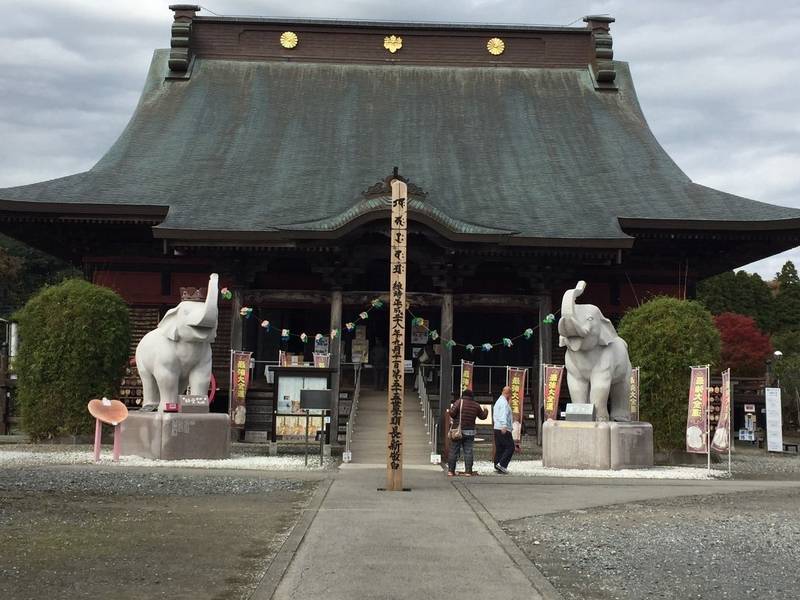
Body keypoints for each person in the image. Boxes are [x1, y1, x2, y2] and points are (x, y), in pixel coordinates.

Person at [447, 389, 487, 477]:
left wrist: (450, 410)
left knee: (454, 450)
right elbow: (483, 417)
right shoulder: (476, 405)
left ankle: (451, 471)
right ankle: (468, 471)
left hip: (458, 431)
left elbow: (452, 414)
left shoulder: (459, 402)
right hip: (470, 432)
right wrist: (486, 411)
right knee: (468, 451)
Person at [493, 386, 515, 473]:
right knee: (510, 447)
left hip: (497, 427)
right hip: (502, 427)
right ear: (509, 393)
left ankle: (497, 464)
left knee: (500, 447)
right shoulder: (504, 403)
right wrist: (504, 425)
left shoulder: (499, 401)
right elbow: (503, 414)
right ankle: (502, 464)